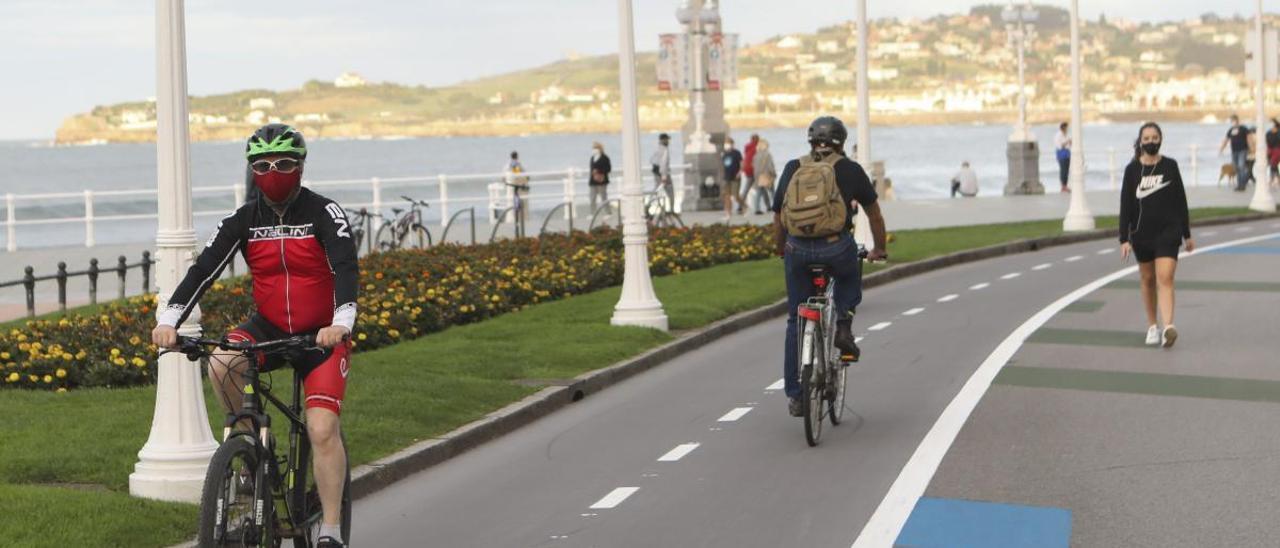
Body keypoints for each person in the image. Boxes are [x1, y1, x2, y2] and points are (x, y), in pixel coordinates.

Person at [151, 124, 356, 548]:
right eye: (262, 165)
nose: (273, 172)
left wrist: (341, 323)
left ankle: (332, 529)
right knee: (223, 361)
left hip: (321, 336)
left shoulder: (324, 213)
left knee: (320, 429)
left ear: (299, 167)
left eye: (283, 163)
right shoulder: (243, 219)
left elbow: (344, 269)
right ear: (251, 170)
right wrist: (170, 318)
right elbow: (203, 270)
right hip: (268, 327)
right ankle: (249, 454)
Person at [772, 116, 888, 417]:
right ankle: (844, 326)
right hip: (836, 246)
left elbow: (777, 216)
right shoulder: (849, 169)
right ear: (842, 141)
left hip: (797, 248)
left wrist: (780, 249)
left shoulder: (792, 167)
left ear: (810, 140)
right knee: (849, 273)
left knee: (795, 318)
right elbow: (874, 213)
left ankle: (796, 396)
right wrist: (879, 249)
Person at [1119, 122, 1194, 349]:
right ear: (1140, 141)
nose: (1151, 142)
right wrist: (1124, 238)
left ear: (1161, 139)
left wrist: (1186, 234)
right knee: (1148, 279)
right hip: (1141, 234)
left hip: (1168, 232)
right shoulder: (1132, 171)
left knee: (1165, 277)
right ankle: (1153, 326)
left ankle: (1168, 327)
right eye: (1147, 138)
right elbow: (1126, 205)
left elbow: (1180, 200)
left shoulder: (1170, 166)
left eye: (1155, 137)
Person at [1220, 114, 1252, 192]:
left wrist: (1251, 147)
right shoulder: (1230, 130)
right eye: (1232, 121)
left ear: (1237, 120)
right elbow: (1226, 140)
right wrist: (1222, 148)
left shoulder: (1243, 128)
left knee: (1241, 166)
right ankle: (1240, 185)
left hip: (1243, 150)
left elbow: (1249, 138)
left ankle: (1243, 182)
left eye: (1233, 120)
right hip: (1234, 151)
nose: (1233, 122)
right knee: (1236, 168)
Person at [506, 151, 530, 232]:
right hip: (517, 185)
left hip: (512, 185)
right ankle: (518, 216)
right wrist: (527, 177)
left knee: (514, 201)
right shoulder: (516, 164)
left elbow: (508, 173)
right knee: (518, 201)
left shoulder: (508, 164)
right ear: (517, 156)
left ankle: (515, 215)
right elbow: (519, 172)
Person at [721, 136, 745, 220]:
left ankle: (744, 206)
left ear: (732, 144)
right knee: (726, 196)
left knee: (735, 195)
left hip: (735, 177)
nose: (727, 145)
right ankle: (728, 213)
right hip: (726, 177)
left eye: (728, 143)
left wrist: (740, 172)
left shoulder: (737, 153)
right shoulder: (724, 153)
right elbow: (723, 165)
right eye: (726, 143)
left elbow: (742, 163)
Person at [752, 137, 777, 214]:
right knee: (773, 192)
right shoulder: (768, 155)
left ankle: (757, 209)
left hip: (758, 176)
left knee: (759, 193)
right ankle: (777, 207)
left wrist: (756, 177)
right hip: (767, 175)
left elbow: (754, 167)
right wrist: (774, 174)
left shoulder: (755, 156)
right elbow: (770, 166)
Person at [650, 133, 673, 210]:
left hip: (656, 172)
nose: (668, 141)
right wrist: (664, 176)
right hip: (664, 174)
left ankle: (648, 205)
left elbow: (651, 160)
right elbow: (663, 163)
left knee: (656, 190)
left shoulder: (656, 148)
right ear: (663, 140)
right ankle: (671, 210)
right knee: (671, 193)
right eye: (667, 140)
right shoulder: (664, 150)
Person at [588, 142, 612, 214]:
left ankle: (608, 212)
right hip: (593, 181)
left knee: (603, 197)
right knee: (592, 198)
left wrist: (599, 171)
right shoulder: (592, 158)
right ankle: (593, 213)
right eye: (594, 148)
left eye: (596, 148)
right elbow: (591, 169)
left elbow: (608, 169)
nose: (594, 149)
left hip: (602, 181)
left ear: (600, 149)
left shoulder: (605, 158)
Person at [741, 133, 760, 209]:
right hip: (754, 170)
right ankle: (740, 205)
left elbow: (746, 159)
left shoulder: (747, 147)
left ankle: (740, 205)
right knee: (761, 188)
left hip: (747, 169)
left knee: (747, 188)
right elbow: (757, 161)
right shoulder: (756, 148)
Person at [1054, 122, 1071, 193]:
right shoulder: (1058, 135)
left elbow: (1068, 145)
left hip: (1067, 153)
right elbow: (1060, 145)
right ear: (1063, 127)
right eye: (1067, 127)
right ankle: (1063, 186)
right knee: (1063, 170)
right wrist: (1068, 141)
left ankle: (1065, 185)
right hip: (1061, 153)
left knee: (1066, 170)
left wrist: (1069, 143)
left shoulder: (1066, 135)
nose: (1067, 129)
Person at [1267, 118, 1280, 188]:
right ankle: (1276, 179)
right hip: (1270, 151)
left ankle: (1272, 179)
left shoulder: (1278, 133)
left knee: (1273, 164)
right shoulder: (1268, 133)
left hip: (1277, 150)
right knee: (1273, 165)